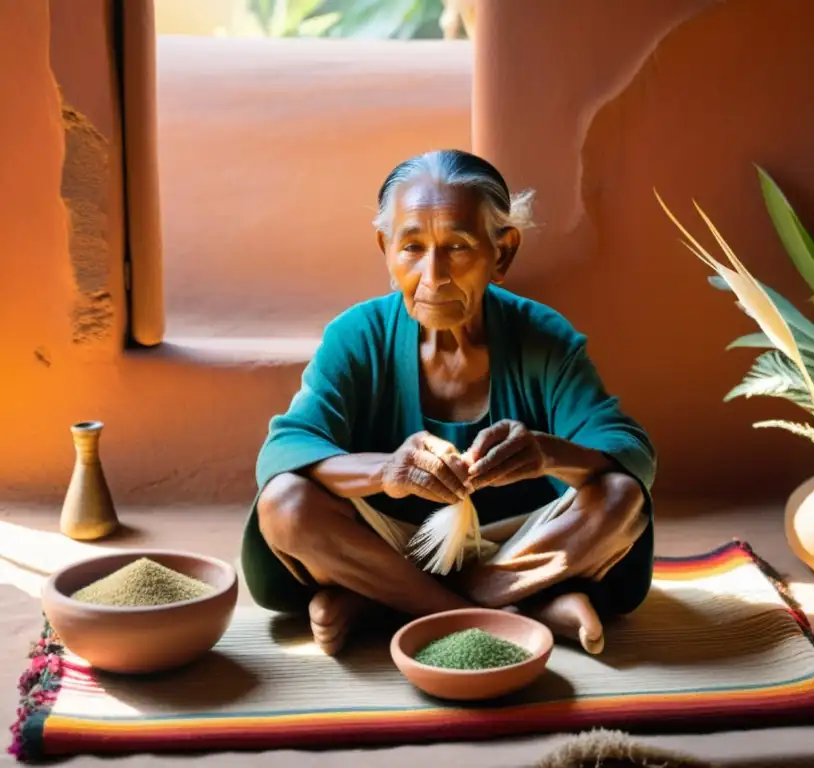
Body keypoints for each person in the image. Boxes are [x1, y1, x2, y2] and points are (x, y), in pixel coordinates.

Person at [240, 149, 656, 656]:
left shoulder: (543, 337)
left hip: (517, 545)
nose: (433, 275)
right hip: (387, 546)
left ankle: (386, 605)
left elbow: (628, 450)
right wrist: (388, 471)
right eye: (412, 246)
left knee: (621, 498)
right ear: (385, 248)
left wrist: (546, 453)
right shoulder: (356, 335)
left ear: (502, 253)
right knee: (284, 503)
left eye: (457, 246)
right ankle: (518, 611)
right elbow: (285, 448)